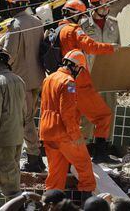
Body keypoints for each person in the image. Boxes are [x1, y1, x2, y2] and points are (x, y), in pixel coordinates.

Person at [58, 0, 119, 163]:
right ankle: (100, 154)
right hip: (80, 81)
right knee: (103, 115)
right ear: (77, 14)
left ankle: (74, 154)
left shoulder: (58, 30)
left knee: (75, 119)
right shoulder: (74, 30)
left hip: (65, 80)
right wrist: (111, 47)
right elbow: (91, 46)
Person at [40, 49, 96, 198]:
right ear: (76, 67)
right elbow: (67, 112)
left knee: (56, 173)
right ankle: (87, 203)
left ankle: (50, 203)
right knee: (84, 165)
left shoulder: (49, 78)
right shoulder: (69, 82)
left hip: (47, 131)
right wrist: (75, 134)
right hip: (63, 133)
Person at [3, 0, 46, 172]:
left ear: (13, 5)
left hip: (22, 81)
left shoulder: (15, 25)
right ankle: (34, 156)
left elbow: (8, 54)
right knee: (30, 119)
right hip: (38, 79)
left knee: (25, 121)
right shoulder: (37, 21)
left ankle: (35, 160)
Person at [0, 48, 25, 201]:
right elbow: (24, 110)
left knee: (5, 174)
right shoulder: (19, 80)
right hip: (18, 135)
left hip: (4, 136)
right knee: (14, 170)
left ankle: (13, 204)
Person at [80, 0, 120, 141]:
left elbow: (119, 51)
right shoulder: (83, 26)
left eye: (108, 4)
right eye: (103, 4)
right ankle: (86, 146)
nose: (106, 7)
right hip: (90, 77)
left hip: (109, 78)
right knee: (87, 115)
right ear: (94, 5)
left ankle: (103, 147)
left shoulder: (114, 24)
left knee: (109, 112)